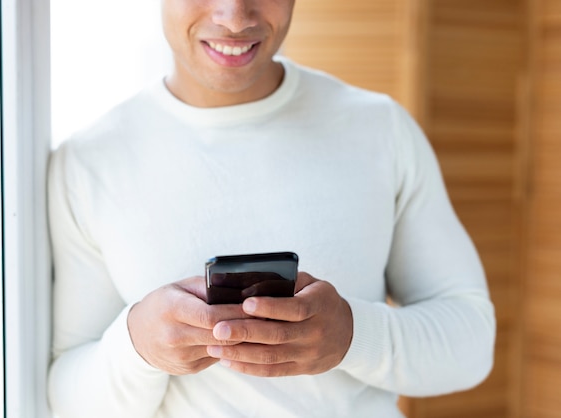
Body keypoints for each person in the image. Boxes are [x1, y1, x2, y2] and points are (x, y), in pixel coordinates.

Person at [46, 0, 496, 417]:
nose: (236, 16)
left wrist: (352, 337)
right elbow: (67, 398)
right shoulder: (89, 162)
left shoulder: (380, 128)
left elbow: (472, 345)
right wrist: (138, 346)